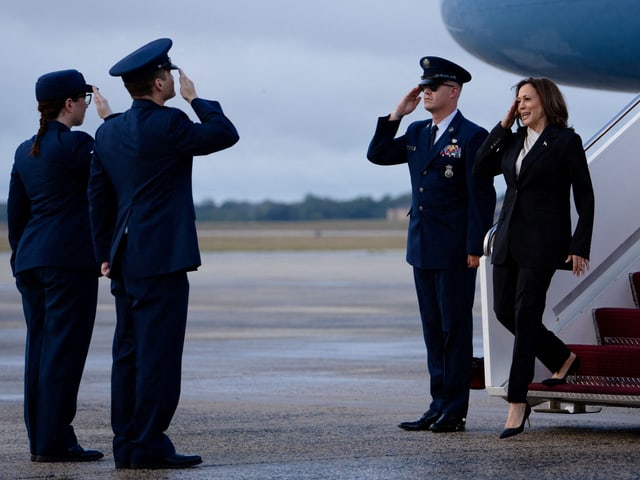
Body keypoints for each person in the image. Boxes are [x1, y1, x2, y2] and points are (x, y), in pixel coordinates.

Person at [88, 38, 239, 469]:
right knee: (159, 354)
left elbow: (97, 196)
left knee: (128, 353)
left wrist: (103, 250)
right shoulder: (169, 123)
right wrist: (197, 100)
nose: (174, 81)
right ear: (159, 82)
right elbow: (224, 134)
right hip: (162, 257)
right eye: (170, 76)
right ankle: (150, 442)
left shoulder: (109, 130)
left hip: (124, 256)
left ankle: (128, 444)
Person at [367, 57, 496, 433]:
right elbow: (376, 155)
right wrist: (397, 115)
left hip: (456, 249)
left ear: (453, 91)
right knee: (432, 329)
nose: (425, 92)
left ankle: (454, 410)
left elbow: (480, 196)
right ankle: (436, 404)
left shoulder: (473, 135)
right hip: (422, 246)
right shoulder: (418, 133)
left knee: (455, 329)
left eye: (433, 87)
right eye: (423, 86)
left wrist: (477, 245)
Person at [473, 77, 595, 439]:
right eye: (518, 101)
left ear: (546, 100)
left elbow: (585, 197)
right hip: (508, 240)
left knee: (526, 316)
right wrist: (504, 123)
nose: (521, 105)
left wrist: (579, 246)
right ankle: (561, 357)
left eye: (527, 99)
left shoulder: (565, 142)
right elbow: (480, 167)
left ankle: (518, 401)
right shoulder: (512, 141)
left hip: (543, 244)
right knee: (504, 312)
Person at [8, 69, 112, 462]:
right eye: (84, 98)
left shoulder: (24, 149)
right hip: (67, 263)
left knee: (39, 350)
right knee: (64, 353)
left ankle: (42, 439)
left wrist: (22, 255)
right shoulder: (78, 145)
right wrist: (110, 120)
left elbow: (17, 214)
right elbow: (112, 174)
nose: (87, 103)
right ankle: (56, 442)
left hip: (31, 261)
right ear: (70, 104)